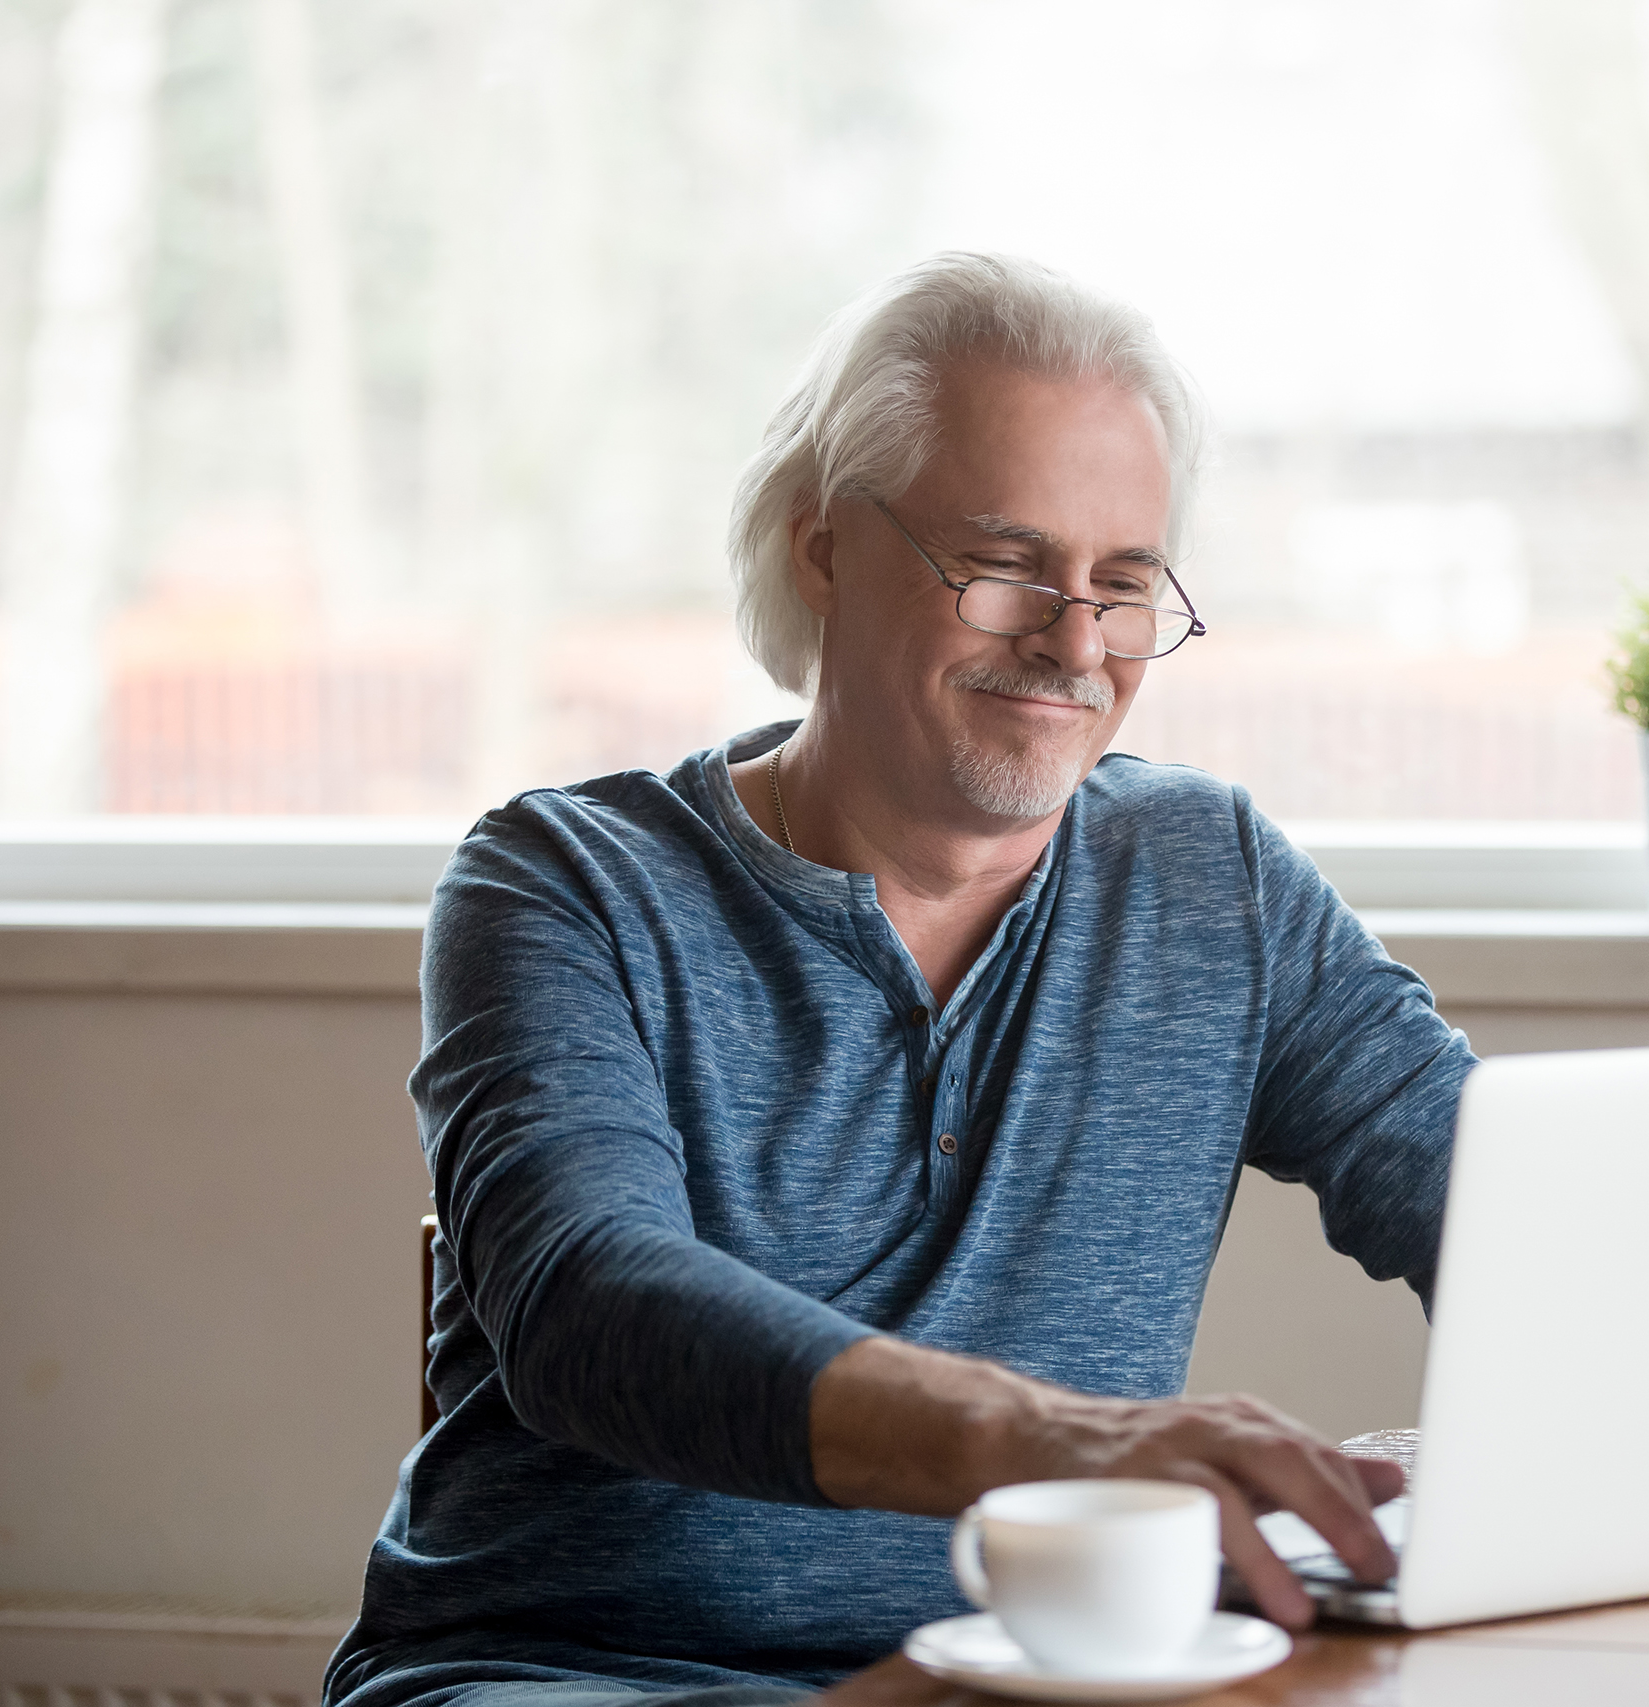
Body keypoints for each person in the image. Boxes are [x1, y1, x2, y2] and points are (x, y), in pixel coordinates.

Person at [325, 252, 1477, 1707]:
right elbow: (587, 1306)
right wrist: (1062, 1441)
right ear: (822, 548)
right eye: (1004, 567)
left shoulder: (1210, 881)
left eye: (1123, 587)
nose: (1074, 644)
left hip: (1040, 1673)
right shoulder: (563, 882)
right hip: (571, 1674)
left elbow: (1500, 1206)